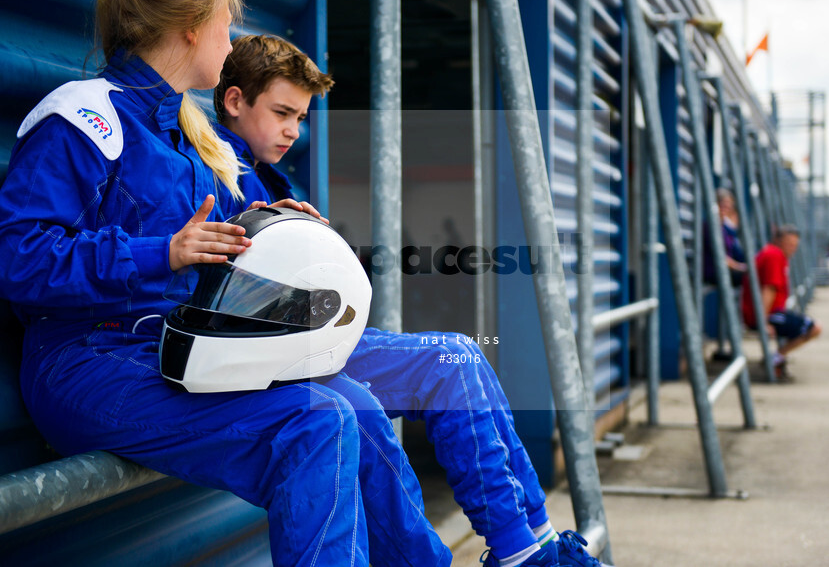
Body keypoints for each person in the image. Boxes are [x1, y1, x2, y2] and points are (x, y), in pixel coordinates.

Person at [0, 0, 450, 566]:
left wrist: (270, 225)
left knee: (360, 409)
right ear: (190, 29)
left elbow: (208, 243)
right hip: (88, 360)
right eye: (224, 27)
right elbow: (20, 260)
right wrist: (162, 253)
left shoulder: (187, 133)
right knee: (315, 424)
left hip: (176, 348)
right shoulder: (84, 115)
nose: (229, 41)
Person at [213, 34, 613, 567]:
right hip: (268, 361)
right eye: (282, 112)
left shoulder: (266, 175)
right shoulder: (207, 172)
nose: (294, 130)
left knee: (458, 356)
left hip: (309, 344)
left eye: (302, 117)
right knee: (366, 410)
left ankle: (527, 545)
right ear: (235, 101)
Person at [741, 225, 822, 381]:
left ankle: (776, 358)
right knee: (814, 328)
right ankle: (775, 359)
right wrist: (762, 321)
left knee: (805, 324)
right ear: (778, 240)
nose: (792, 249)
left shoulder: (771, 253)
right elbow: (768, 289)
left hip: (768, 311)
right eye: (789, 244)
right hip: (766, 313)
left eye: (795, 246)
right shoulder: (774, 256)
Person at [703, 188, 747, 288]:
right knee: (750, 276)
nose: (726, 207)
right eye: (723, 203)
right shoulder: (710, 226)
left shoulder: (724, 227)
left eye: (729, 203)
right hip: (714, 271)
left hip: (725, 270)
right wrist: (740, 267)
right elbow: (720, 256)